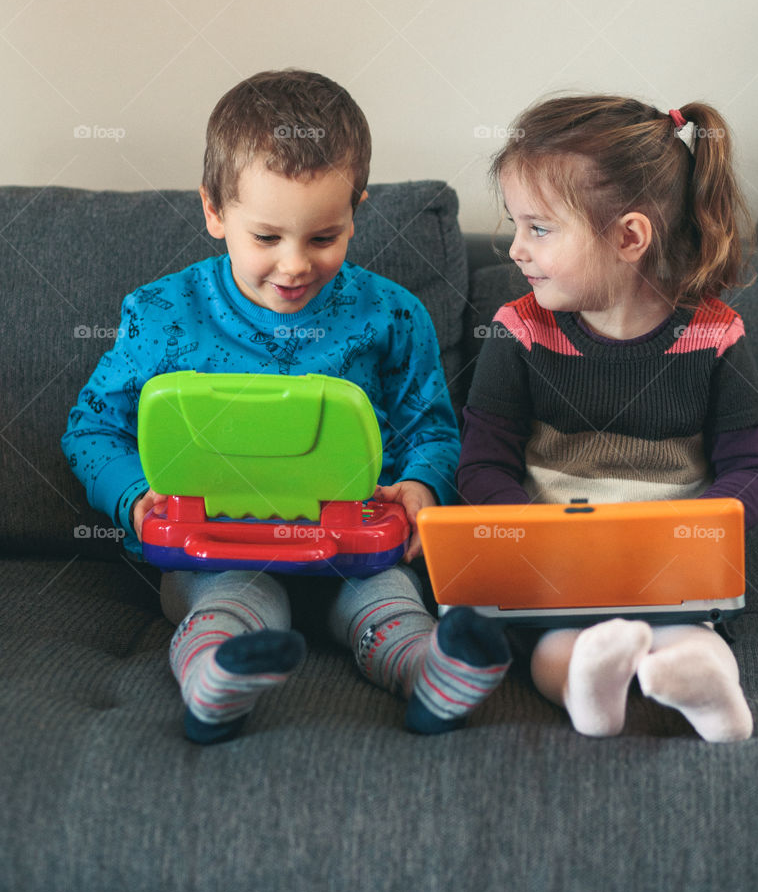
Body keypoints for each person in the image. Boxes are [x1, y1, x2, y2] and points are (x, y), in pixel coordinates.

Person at [63, 69, 510, 743]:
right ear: (215, 211)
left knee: (388, 603)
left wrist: (421, 484)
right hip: (219, 550)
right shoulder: (162, 314)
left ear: (355, 209)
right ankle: (217, 679)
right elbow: (92, 426)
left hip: (354, 544)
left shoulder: (393, 315)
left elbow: (431, 428)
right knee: (232, 605)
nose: (295, 265)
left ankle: (429, 672)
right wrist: (134, 494)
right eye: (267, 238)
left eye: (323, 237)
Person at [458, 95, 758, 742]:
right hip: (553, 571)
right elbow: (481, 463)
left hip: (673, 571)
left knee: (690, 637)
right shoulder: (517, 332)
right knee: (554, 644)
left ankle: (709, 694)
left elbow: (755, 470)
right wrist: (530, 537)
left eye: (539, 228)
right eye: (514, 225)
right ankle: (588, 690)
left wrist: (695, 533)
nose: (515, 249)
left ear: (629, 237)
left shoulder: (712, 336)